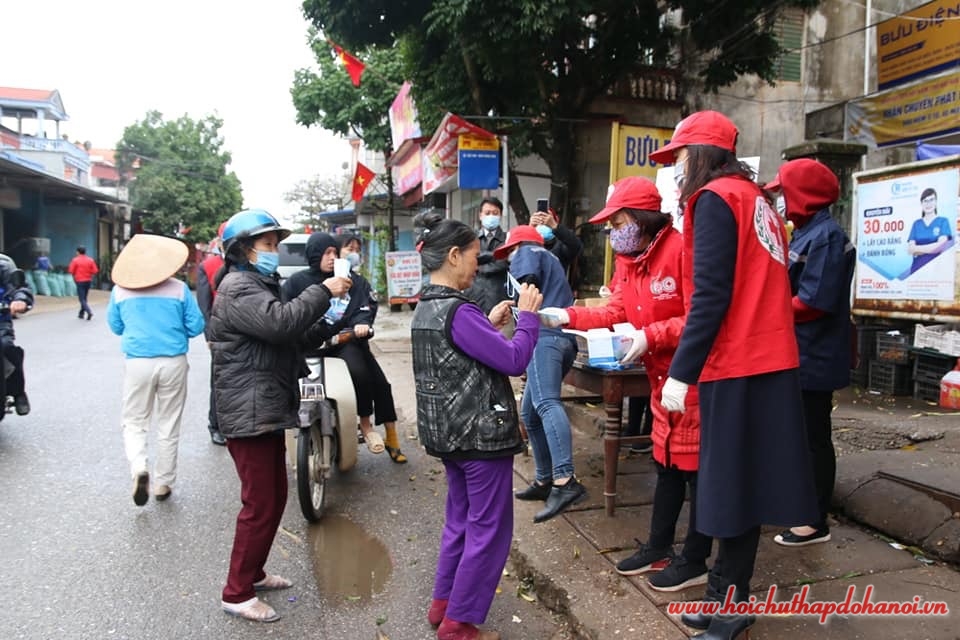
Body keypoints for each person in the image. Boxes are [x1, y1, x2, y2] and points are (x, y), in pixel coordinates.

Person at [648, 111, 818, 640]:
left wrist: (681, 373)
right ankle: (725, 595)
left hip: (739, 361)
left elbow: (711, 297)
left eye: (678, 157)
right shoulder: (757, 201)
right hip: (767, 357)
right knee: (736, 487)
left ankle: (730, 604)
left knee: (729, 486)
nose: (675, 170)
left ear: (699, 154)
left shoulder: (715, 199)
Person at [539, 176, 712, 592]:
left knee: (698, 473)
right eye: (611, 226)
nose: (612, 232)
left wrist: (652, 336)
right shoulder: (628, 260)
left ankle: (696, 558)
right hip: (658, 379)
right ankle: (658, 546)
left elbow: (701, 315)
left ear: (642, 218)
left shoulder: (682, 250)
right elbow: (617, 307)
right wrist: (567, 317)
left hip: (694, 377)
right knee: (666, 465)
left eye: (618, 223)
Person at [208, 209, 352, 623]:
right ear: (242, 250)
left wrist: (331, 319)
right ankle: (236, 592)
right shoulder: (238, 288)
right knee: (260, 502)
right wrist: (323, 290)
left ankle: (252, 573)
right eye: (267, 245)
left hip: (265, 408)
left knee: (274, 497)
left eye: (275, 244)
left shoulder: (256, 283)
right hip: (247, 410)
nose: (273, 251)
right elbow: (281, 322)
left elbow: (293, 335)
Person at [411, 210, 542, 640]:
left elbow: (454, 358)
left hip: (449, 436)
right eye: (472, 257)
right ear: (452, 255)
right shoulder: (458, 310)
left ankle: (442, 605)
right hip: (480, 436)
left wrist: (490, 325)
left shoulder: (426, 307)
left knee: (461, 522)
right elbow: (514, 360)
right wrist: (528, 317)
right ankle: (459, 625)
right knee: (489, 530)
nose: (476, 265)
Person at [764, 159, 856, 547]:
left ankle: (814, 521)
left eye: (784, 193)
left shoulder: (827, 238)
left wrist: (768, 308)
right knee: (796, 435)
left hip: (815, 354)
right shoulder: (801, 236)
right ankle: (797, 506)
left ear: (803, 193)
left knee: (813, 436)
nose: (781, 201)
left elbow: (814, 301)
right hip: (796, 351)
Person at [282, 232, 407, 463]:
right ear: (314, 255)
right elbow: (287, 313)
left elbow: (364, 308)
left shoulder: (353, 281)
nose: (332, 257)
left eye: (334, 252)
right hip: (309, 346)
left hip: (344, 343)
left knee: (367, 376)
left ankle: (369, 426)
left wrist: (361, 325)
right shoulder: (296, 283)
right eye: (326, 253)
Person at [105, 234, 205, 505]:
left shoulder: (120, 291)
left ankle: (139, 468)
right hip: (173, 361)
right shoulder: (178, 289)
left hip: (137, 362)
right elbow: (196, 326)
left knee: (135, 421)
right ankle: (163, 483)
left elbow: (115, 326)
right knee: (168, 423)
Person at [499, 225, 585, 523]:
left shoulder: (527, 251)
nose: (509, 257)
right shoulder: (551, 259)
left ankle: (565, 480)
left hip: (545, 337)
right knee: (531, 414)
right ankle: (544, 479)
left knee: (547, 404)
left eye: (509, 250)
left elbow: (529, 286)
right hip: (562, 339)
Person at [196, 222, 228, 446]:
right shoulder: (208, 266)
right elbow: (204, 305)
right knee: (219, 380)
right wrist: (209, 335)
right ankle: (215, 425)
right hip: (219, 333)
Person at [463, 197, 510, 314]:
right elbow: (466, 260)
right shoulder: (470, 238)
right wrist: (494, 257)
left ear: (500, 215)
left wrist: (477, 262)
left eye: (495, 213)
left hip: (499, 299)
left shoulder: (508, 238)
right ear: (480, 215)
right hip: (474, 297)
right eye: (487, 213)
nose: (491, 216)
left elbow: (503, 262)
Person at [0, 253, 33, 415]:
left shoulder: (4, 265)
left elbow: (20, 288)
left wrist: (20, 299)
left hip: (0, 324)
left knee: (6, 346)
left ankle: (18, 392)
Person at [907, 187, 952, 275]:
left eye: (931, 200)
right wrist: (933, 247)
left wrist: (917, 249)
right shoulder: (916, 224)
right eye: (925, 201)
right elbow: (910, 249)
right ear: (921, 203)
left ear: (936, 202)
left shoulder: (943, 221)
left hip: (936, 272)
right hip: (916, 272)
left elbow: (941, 247)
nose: (928, 204)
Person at [529, 206, 583, 274]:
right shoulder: (530, 244)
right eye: (540, 222)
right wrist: (529, 229)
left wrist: (555, 226)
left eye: (547, 223)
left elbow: (575, 245)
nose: (543, 225)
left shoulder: (560, 246)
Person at [67, 245, 98, 320]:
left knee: (82, 299)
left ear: (77, 252)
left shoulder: (75, 260)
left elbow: (71, 270)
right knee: (84, 297)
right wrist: (88, 272)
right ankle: (81, 313)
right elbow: (95, 271)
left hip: (79, 281)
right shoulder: (90, 260)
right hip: (88, 281)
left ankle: (89, 311)